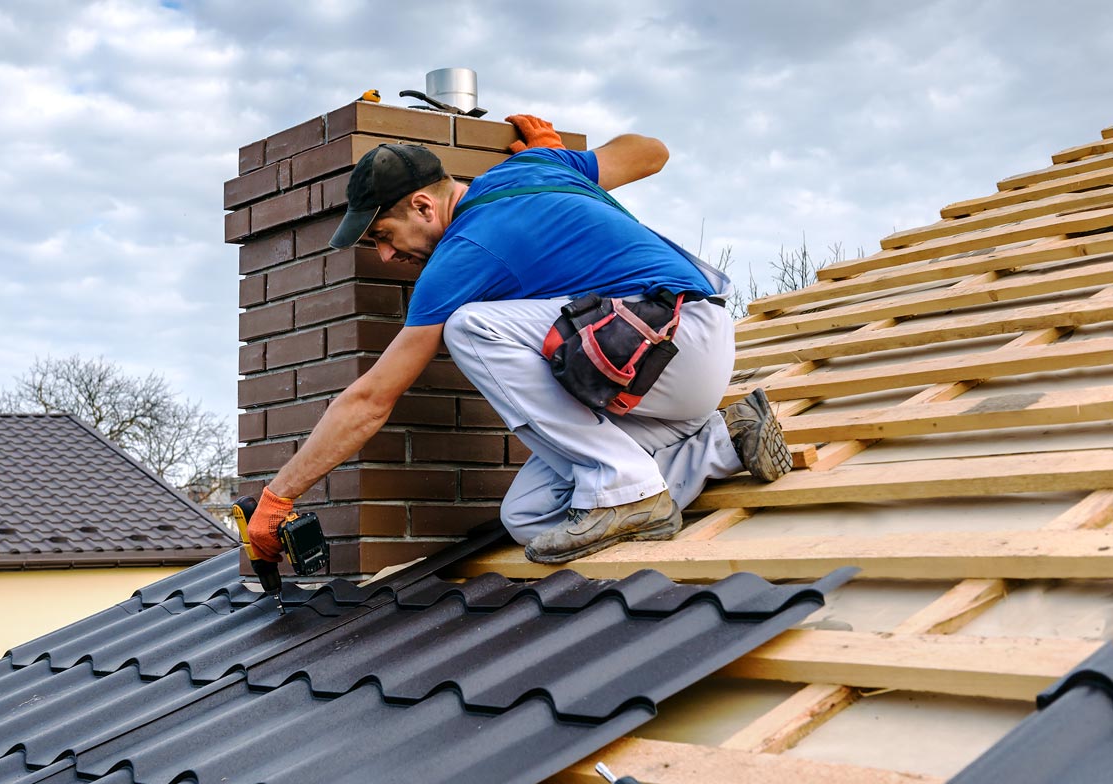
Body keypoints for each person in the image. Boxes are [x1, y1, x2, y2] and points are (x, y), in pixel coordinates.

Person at [246, 114, 790, 566]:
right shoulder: (538, 165)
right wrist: (569, 164)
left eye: (383, 237)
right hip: (658, 377)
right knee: (529, 516)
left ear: (422, 206)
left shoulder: (462, 254)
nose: (387, 257)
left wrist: (280, 495)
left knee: (472, 326)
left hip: (673, 339)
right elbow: (652, 151)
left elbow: (371, 400)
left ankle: (627, 486)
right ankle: (723, 441)